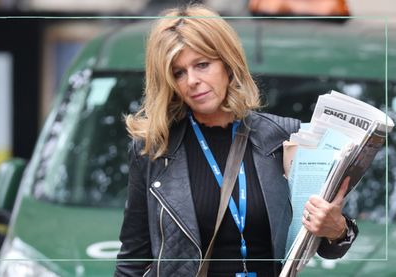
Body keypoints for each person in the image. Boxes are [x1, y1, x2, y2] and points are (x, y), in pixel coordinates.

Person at [114, 4, 357, 277]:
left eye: (202, 64)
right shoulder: (154, 151)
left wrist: (337, 229)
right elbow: (133, 259)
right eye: (179, 72)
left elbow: (327, 243)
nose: (192, 80)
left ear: (228, 64)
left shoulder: (283, 139)